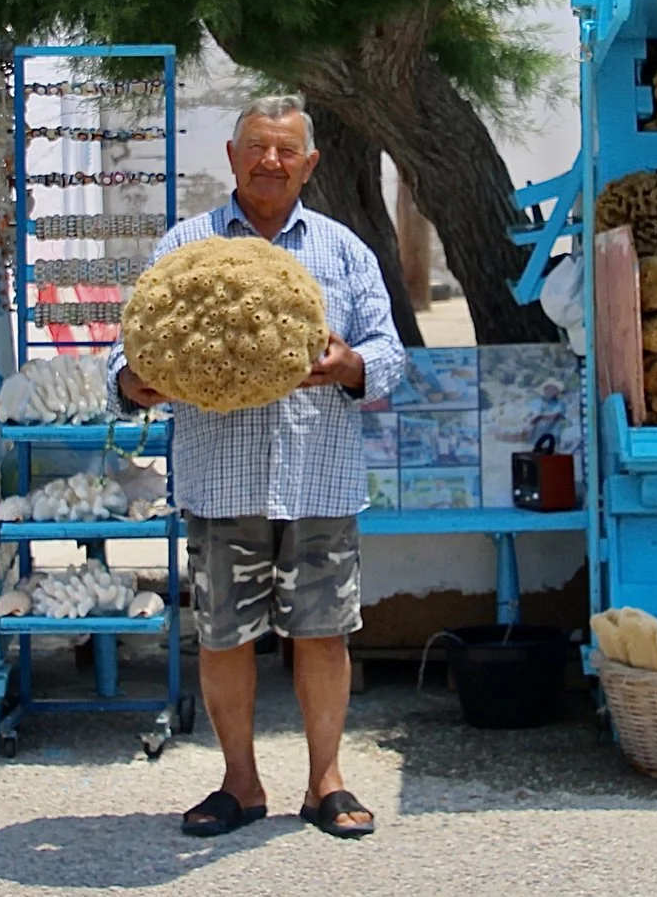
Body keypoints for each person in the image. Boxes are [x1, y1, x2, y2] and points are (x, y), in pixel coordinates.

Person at [109, 94, 406, 840]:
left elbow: (390, 352)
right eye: (257, 148)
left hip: (317, 479)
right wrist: (129, 380)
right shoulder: (185, 243)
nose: (270, 161)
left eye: (285, 151)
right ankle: (239, 784)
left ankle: (325, 784)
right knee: (223, 636)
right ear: (232, 157)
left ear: (309, 164)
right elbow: (130, 341)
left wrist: (348, 366)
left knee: (324, 633)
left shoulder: (343, 249)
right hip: (220, 480)